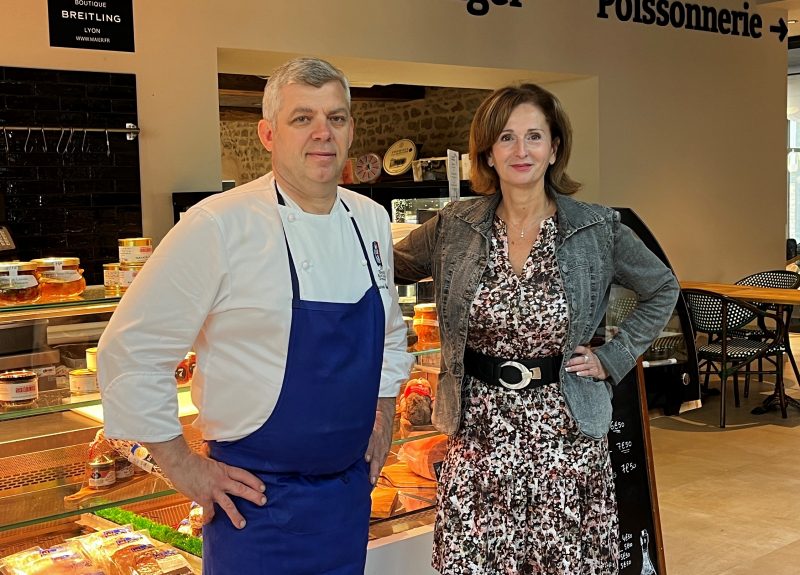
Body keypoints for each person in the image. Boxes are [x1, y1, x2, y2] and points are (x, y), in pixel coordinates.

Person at [97, 57, 413, 574]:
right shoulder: (217, 226)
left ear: (351, 130)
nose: (322, 134)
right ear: (267, 133)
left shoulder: (371, 220)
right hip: (253, 506)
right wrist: (182, 466)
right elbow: (130, 351)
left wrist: (383, 411)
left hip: (348, 499)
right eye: (302, 118)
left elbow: (391, 334)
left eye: (336, 118)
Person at [393, 83, 679, 574]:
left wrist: (612, 357)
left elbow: (663, 288)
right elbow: (386, 264)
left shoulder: (596, 227)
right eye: (506, 137)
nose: (520, 150)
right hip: (481, 435)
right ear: (487, 151)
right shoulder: (455, 225)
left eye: (533, 136)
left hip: (564, 435)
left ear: (554, 148)